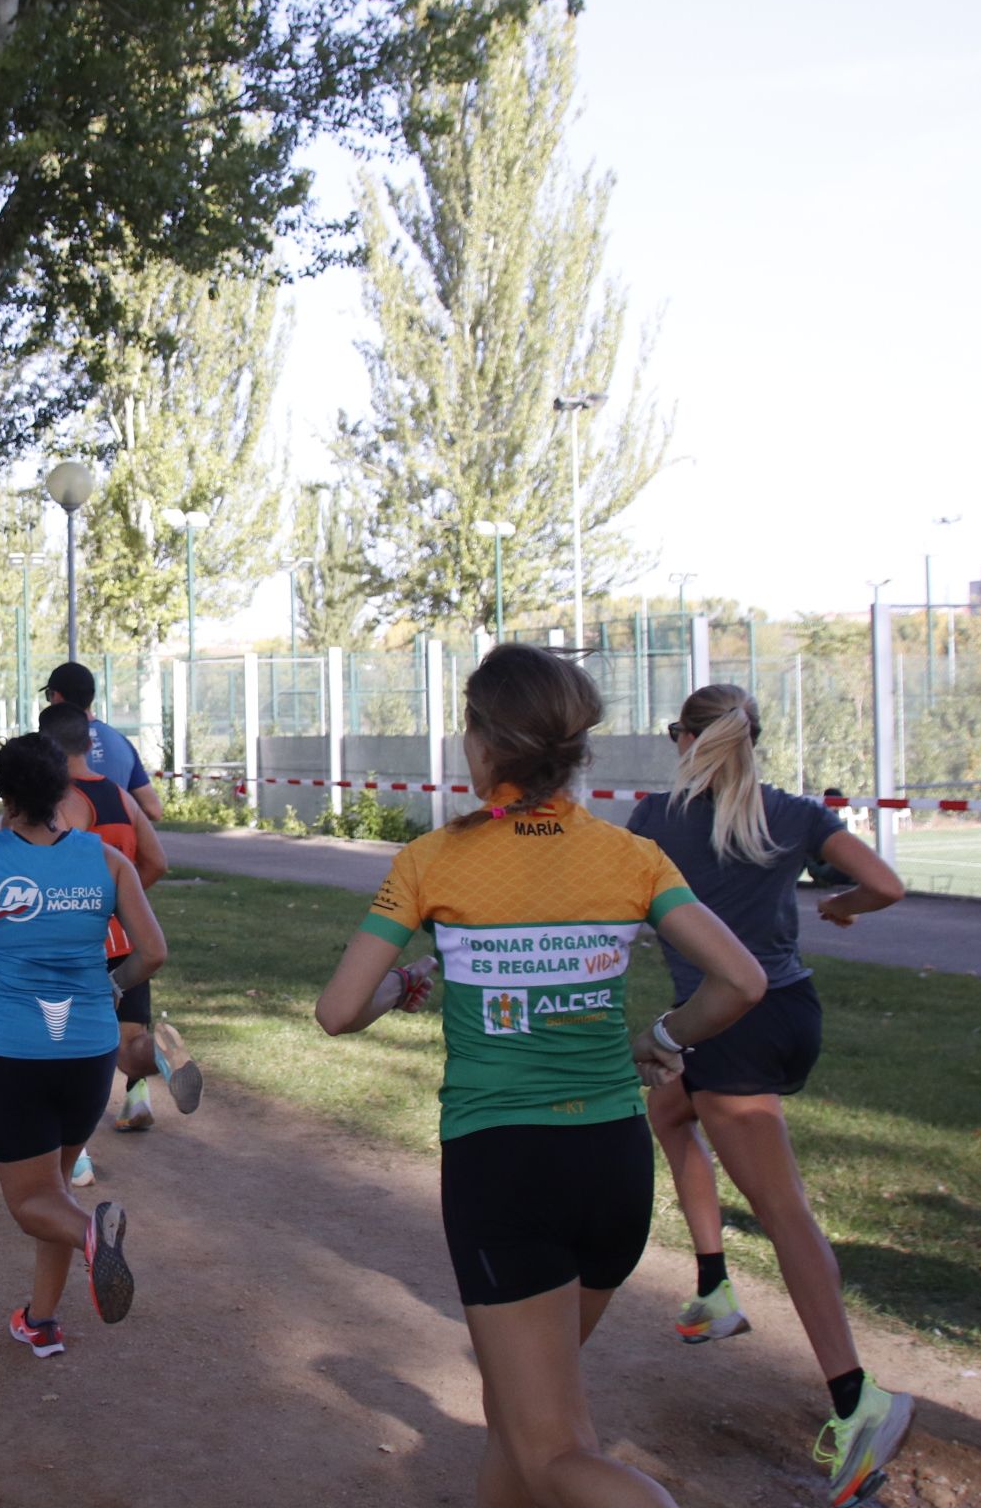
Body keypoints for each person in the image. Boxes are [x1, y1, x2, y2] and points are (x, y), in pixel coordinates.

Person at [315, 643, 768, 1508]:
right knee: (524, 1421)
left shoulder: (433, 861)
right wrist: (663, 1033)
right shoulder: (630, 857)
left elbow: (338, 1010)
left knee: (552, 1444)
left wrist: (404, 984)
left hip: (505, 1168)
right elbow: (742, 982)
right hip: (613, 1166)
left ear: (482, 743)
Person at [628, 686, 914, 1505]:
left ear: (685, 736)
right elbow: (885, 885)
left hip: (729, 1021)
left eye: (674, 733)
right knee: (668, 1108)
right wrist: (846, 908)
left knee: (783, 1208)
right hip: (786, 1008)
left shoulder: (656, 816)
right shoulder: (791, 812)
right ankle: (714, 1287)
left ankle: (858, 1400)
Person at [0, 731, 166, 1357]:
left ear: (5, 792)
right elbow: (153, 951)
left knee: (31, 1202)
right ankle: (41, 1319)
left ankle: (91, 1238)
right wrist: (114, 985)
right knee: (51, 1185)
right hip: (88, 1048)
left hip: (16, 1050)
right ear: (64, 788)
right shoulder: (106, 861)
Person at [39, 702, 197, 1168]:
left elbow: (55, 874)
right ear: (90, 744)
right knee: (130, 1051)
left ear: (45, 746)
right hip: (124, 944)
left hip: (80, 947)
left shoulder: (62, 803)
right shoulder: (121, 797)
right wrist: (122, 904)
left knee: (64, 1051)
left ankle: (77, 1155)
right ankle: (163, 1057)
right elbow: (157, 862)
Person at [42, 661, 162, 824]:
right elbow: (153, 809)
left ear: (56, 696)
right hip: (118, 844)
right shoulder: (121, 742)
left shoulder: (49, 743)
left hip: (70, 844)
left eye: (49, 695)